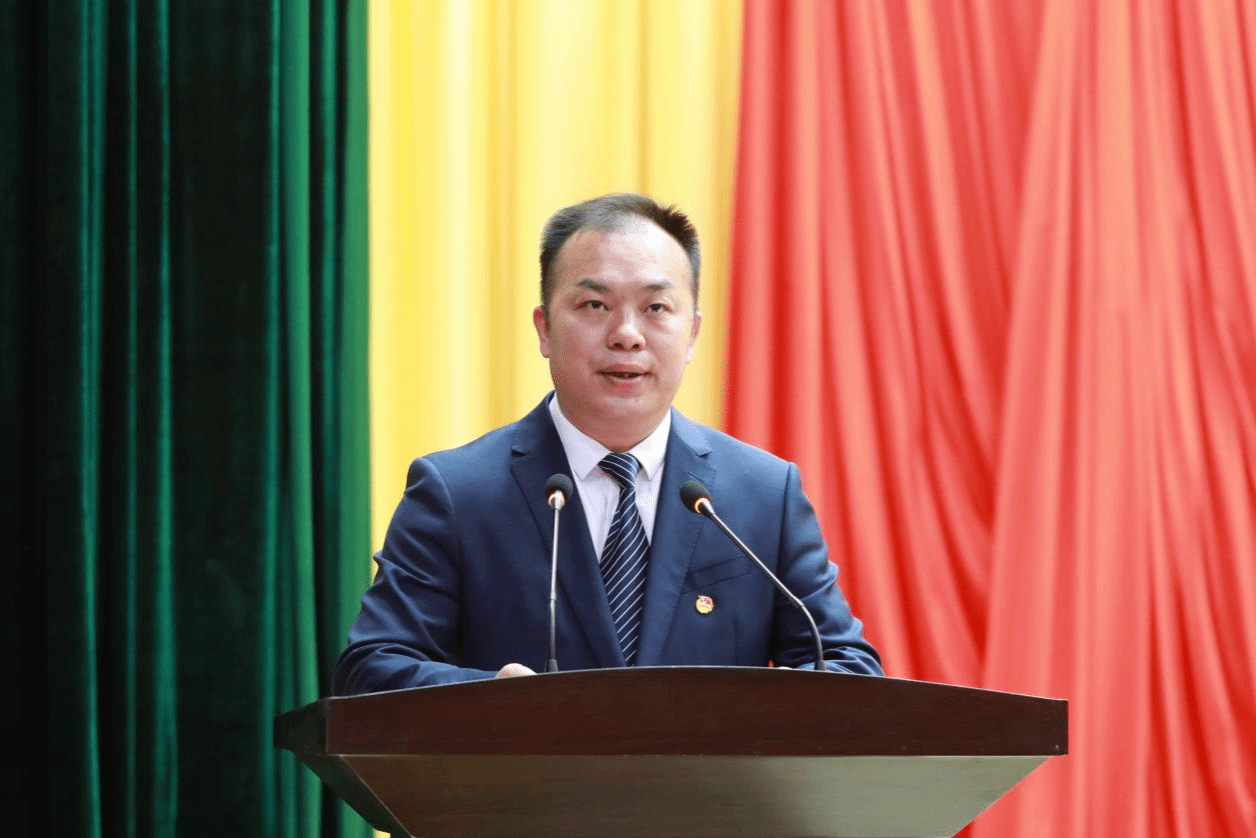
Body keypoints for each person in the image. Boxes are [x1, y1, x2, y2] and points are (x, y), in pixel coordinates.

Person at [333, 193, 882, 693]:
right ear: (544, 329)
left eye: (655, 308)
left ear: (692, 333)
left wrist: (766, 712)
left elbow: (847, 665)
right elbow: (371, 669)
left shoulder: (762, 494)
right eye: (595, 305)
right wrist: (491, 699)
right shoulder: (457, 493)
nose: (626, 335)